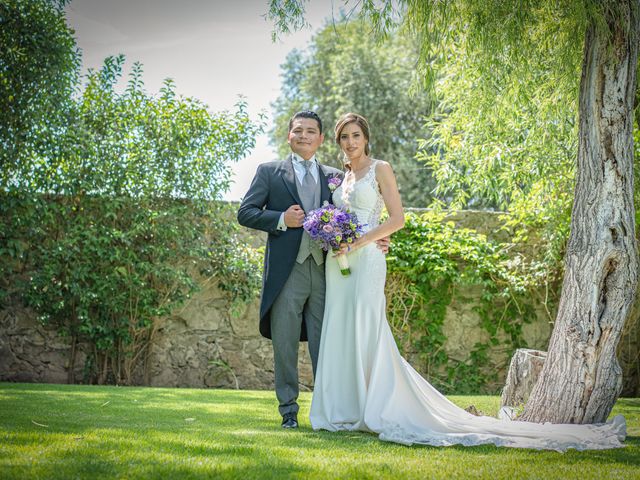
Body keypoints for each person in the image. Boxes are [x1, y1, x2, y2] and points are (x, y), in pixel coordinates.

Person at [309, 112, 626, 451]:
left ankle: (374, 407)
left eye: (355, 135)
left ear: (366, 138)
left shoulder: (380, 168)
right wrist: (334, 237)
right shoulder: (340, 177)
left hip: (367, 258)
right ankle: (344, 409)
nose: (350, 142)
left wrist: (361, 241)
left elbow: (397, 219)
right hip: (338, 261)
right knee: (340, 327)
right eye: (344, 137)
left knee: (367, 326)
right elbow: (336, 218)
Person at [237, 111, 388, 429]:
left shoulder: (336, 176)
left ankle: (330, 410)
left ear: (321, 139)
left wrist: (378, 238)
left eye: (311, 132)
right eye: (298, 131)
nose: (304, 136)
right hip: (287, 273)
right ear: (289, 136)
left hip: (327, 272)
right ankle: (288, 411)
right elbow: (246, 212)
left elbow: (355, 214)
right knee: (285, 342)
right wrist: (280, 218)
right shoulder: (269, 172)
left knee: (329, 343)